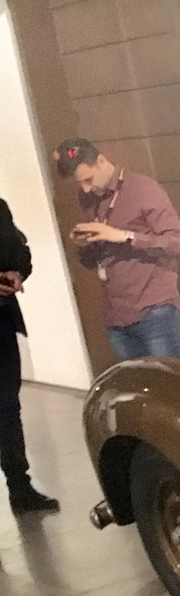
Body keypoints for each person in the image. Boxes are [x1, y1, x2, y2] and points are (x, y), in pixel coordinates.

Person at [53, 138, 180, 360]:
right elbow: (93, 260)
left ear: (101, 161)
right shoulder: (87, 198)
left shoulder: (144, 189)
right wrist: (86, 244)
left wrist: (124, 236)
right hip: (115, 316)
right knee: (131, 381)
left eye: (88, 179)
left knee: (167, 380)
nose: (85, 188)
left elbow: (179, 244)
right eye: (79, 183)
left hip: (154, 310)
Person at [0, 199, 60, 515]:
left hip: (1, 325)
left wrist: (17, 272)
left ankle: (20, 489)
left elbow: (19, 250)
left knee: (8, 408)